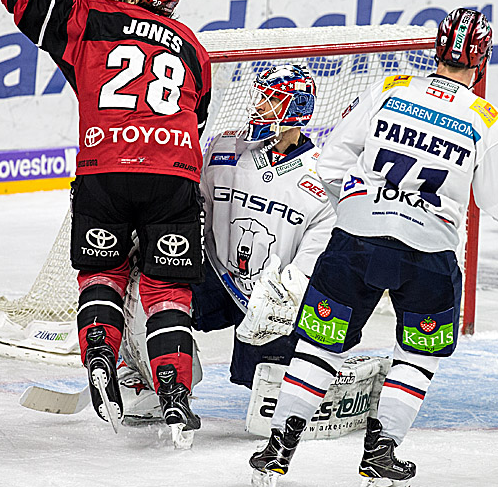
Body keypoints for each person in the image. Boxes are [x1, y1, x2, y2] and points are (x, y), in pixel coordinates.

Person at [247, 9, 498, 487]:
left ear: (437, 49)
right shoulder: (487, 120)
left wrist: (362, 210)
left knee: (319, 346)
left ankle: (276, 451)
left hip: (355, 244)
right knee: (417, 354)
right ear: (483, 59)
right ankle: (379, 459)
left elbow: (330, 163)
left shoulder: (391, 88)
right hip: (427, 255)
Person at [0, 0, 212, 447]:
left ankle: (99, 354)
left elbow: (29, 0)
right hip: (173, 175)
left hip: (105, 172)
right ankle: (174, 389)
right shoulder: (193, 47)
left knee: (102, 274)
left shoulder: (92, 15)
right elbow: (198, 116)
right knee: (167, 289)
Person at [117, 64, 337, 420]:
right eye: (260, 96)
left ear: (296, 109)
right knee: (146, 283)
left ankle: (325, 374)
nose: (259, 105)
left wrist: (286, 295)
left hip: (271, 298)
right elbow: (192, 210)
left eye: (271, 99)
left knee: (272, 407)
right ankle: (156, 383)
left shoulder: (323, 176)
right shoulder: (224, 147)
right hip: (214, 277)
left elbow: (312, 258)